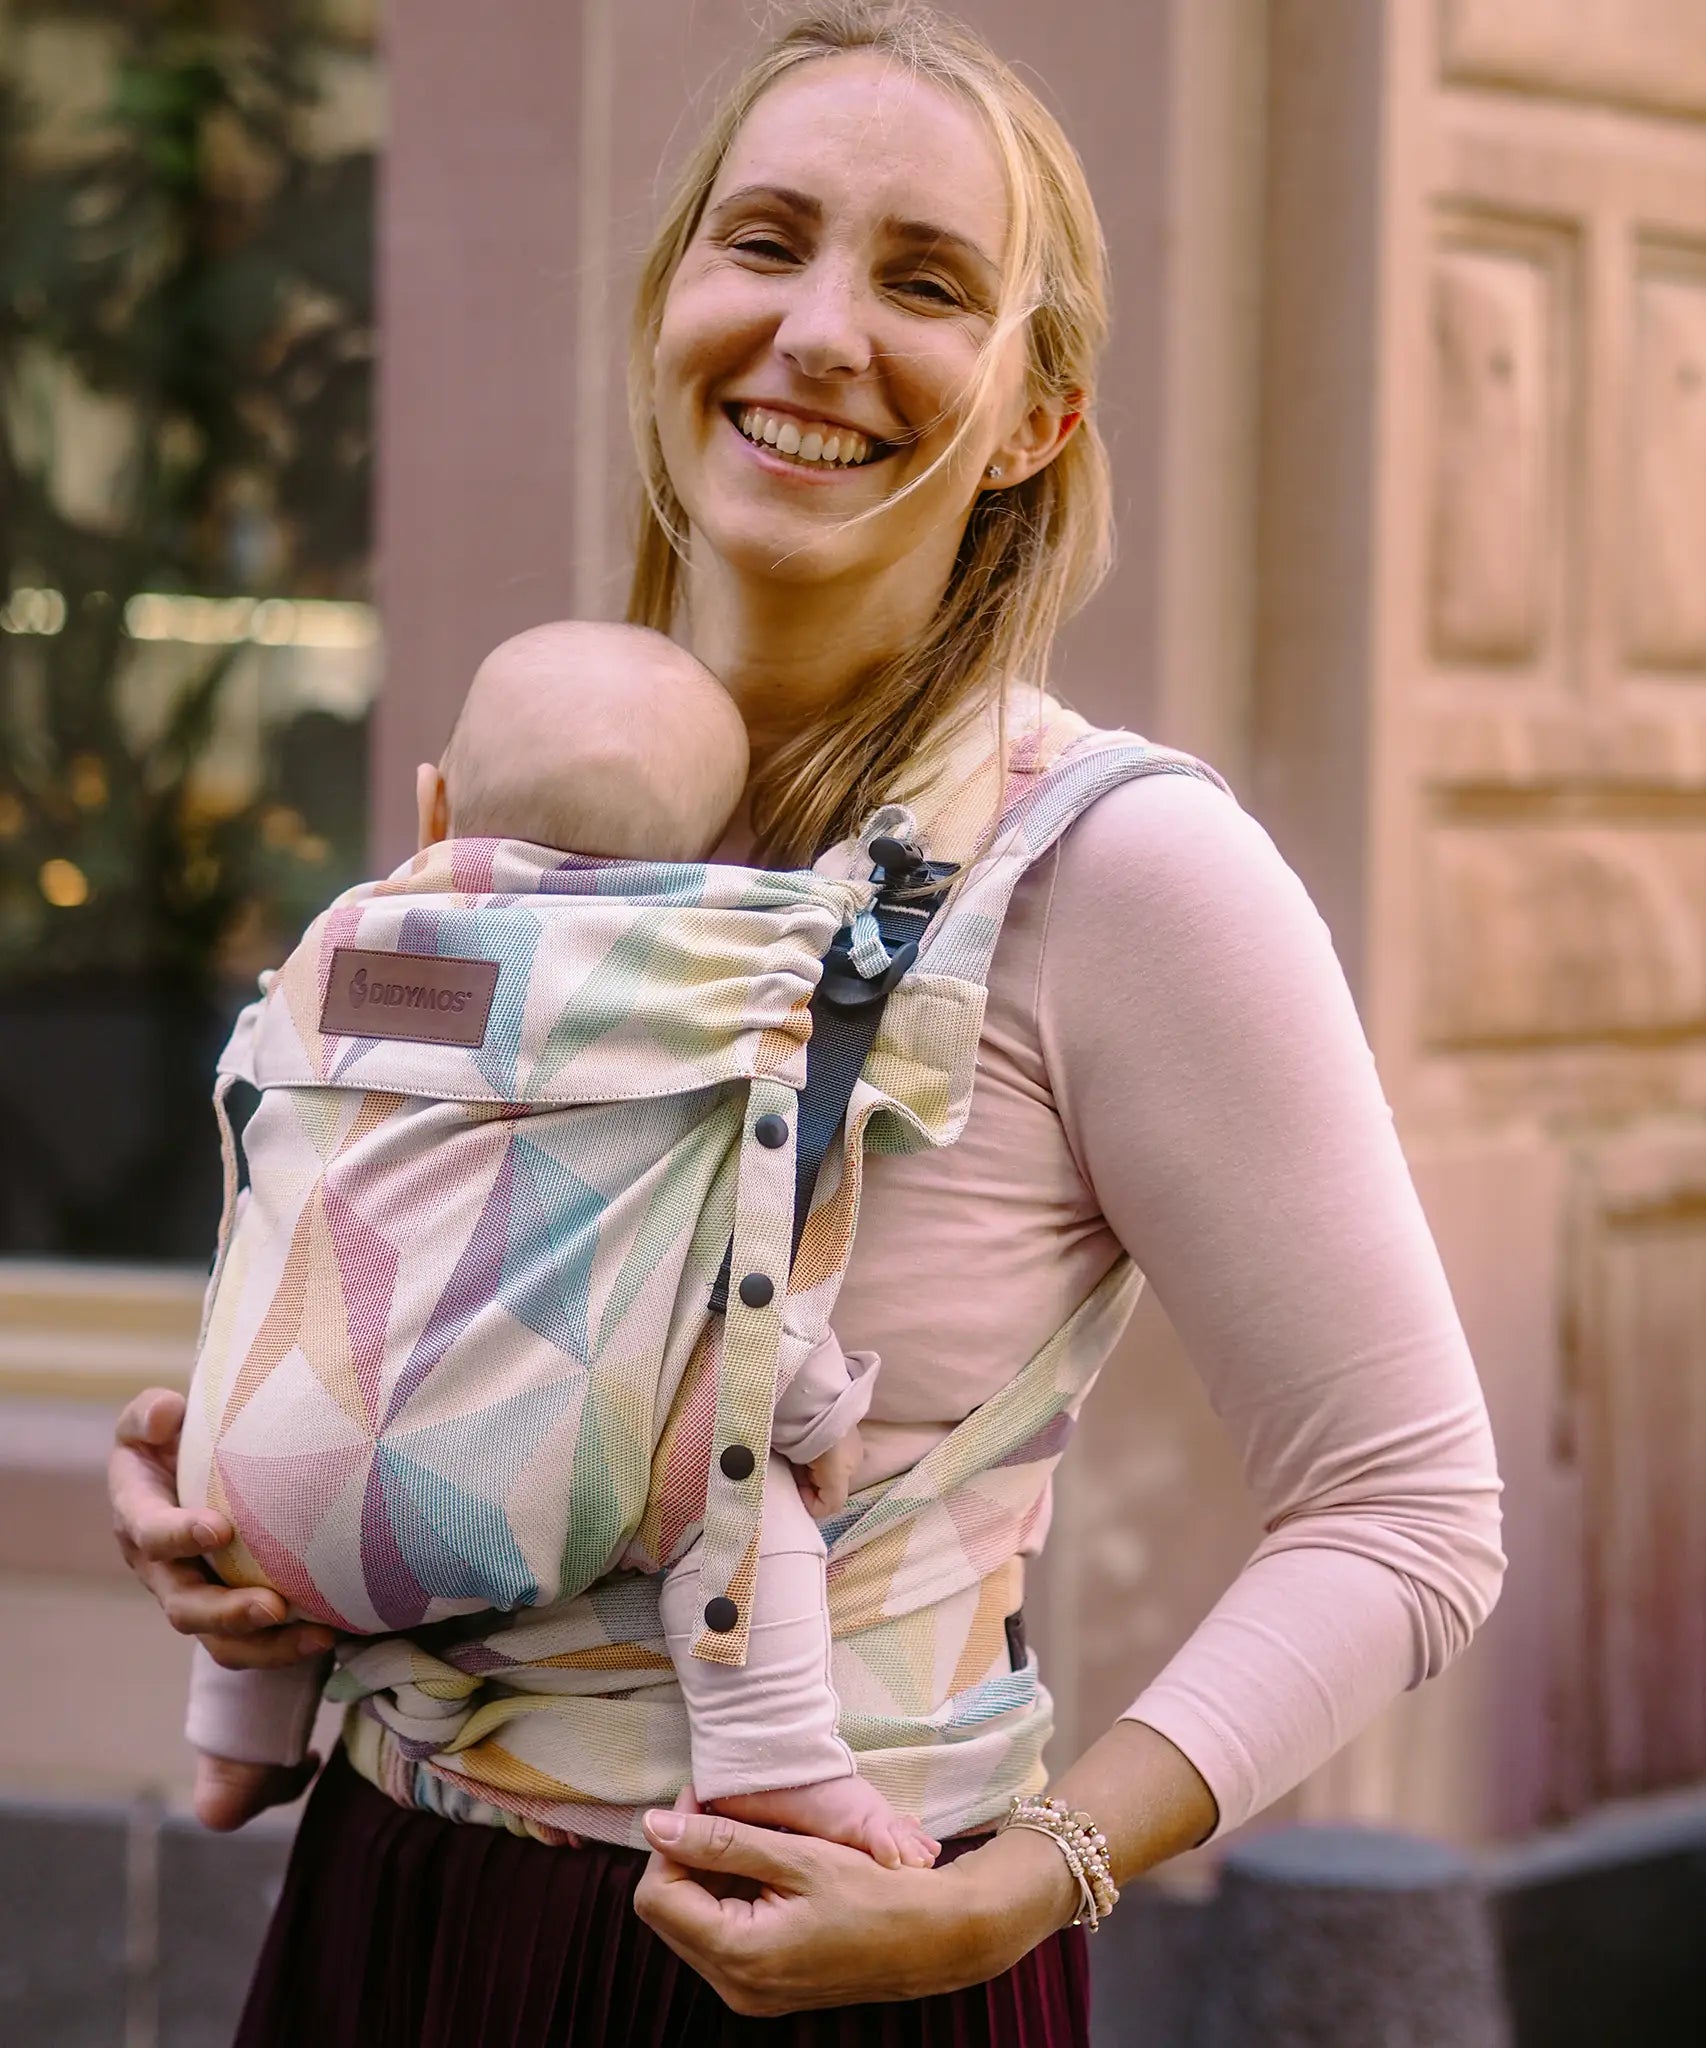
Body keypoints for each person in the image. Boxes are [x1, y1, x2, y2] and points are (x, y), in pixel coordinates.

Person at [108, 6, 1505, 2040]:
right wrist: (255, 1513)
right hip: (382, 1904)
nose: (823, 330)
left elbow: (1407, 1514)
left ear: (1034, 417)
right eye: (762, 242)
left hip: (826, 1967)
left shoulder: (1119, 873)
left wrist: (1024, 1890)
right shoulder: (510, 822)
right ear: (668, 303)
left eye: (925, 281)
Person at [183, 618, 936, 1873]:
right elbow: (731, 1246)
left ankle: (237, 1733)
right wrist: (801, 1412)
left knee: (281, 1334)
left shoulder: (340, 956)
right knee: (746, 1493)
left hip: (258, 1491)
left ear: (434, 806)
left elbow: (267, 1198)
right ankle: (779, 1764)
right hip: (533, 1484)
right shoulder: (704, 994)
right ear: (718, 860)